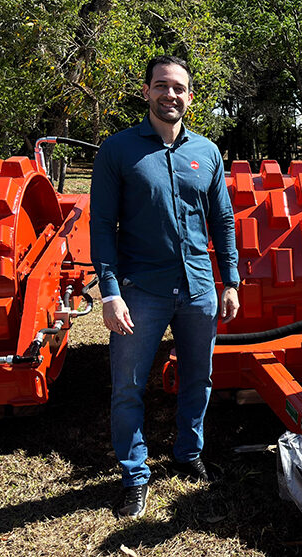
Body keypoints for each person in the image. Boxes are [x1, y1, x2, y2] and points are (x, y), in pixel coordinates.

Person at [90, 55, 240, 518]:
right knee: (128, 387)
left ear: (189, 96)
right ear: (147, 91)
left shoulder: (209, 152)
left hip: (199, 289)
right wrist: (110, 291)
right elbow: (101, 225)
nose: (169, 94)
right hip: (141, 291)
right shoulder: (117, 151)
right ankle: (135, 475)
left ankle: (188, 453)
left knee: (198, 378)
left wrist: (230, 280)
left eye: (178, 88)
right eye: (161, 86)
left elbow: (223, 220)